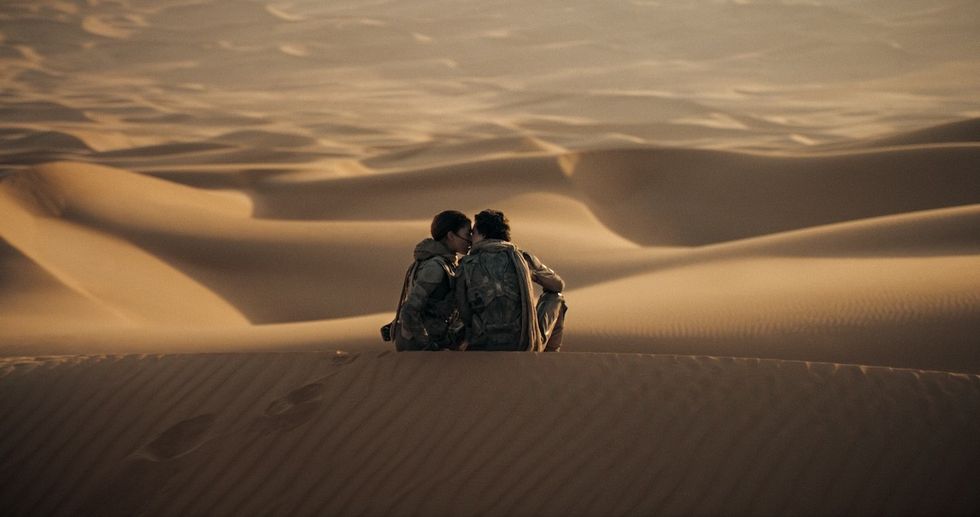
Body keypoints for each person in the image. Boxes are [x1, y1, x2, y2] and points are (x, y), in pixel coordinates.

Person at [455, 209, 567, 351]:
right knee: (555, 297)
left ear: (482, 234)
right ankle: (548, 359)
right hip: (523, 344)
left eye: (474, 232)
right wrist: (531, 274)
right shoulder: (521, 258)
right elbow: (557, 285)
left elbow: (463, 309)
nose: (471, 239)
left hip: (482, 344)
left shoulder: (466, 264)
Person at [384, 210, 472, 351]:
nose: (470, 240)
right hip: (420, 350)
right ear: (450, 236)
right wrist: (427, 343)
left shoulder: (441, 263)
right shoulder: (435, 266)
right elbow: (410, 309)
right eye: (467, 234)